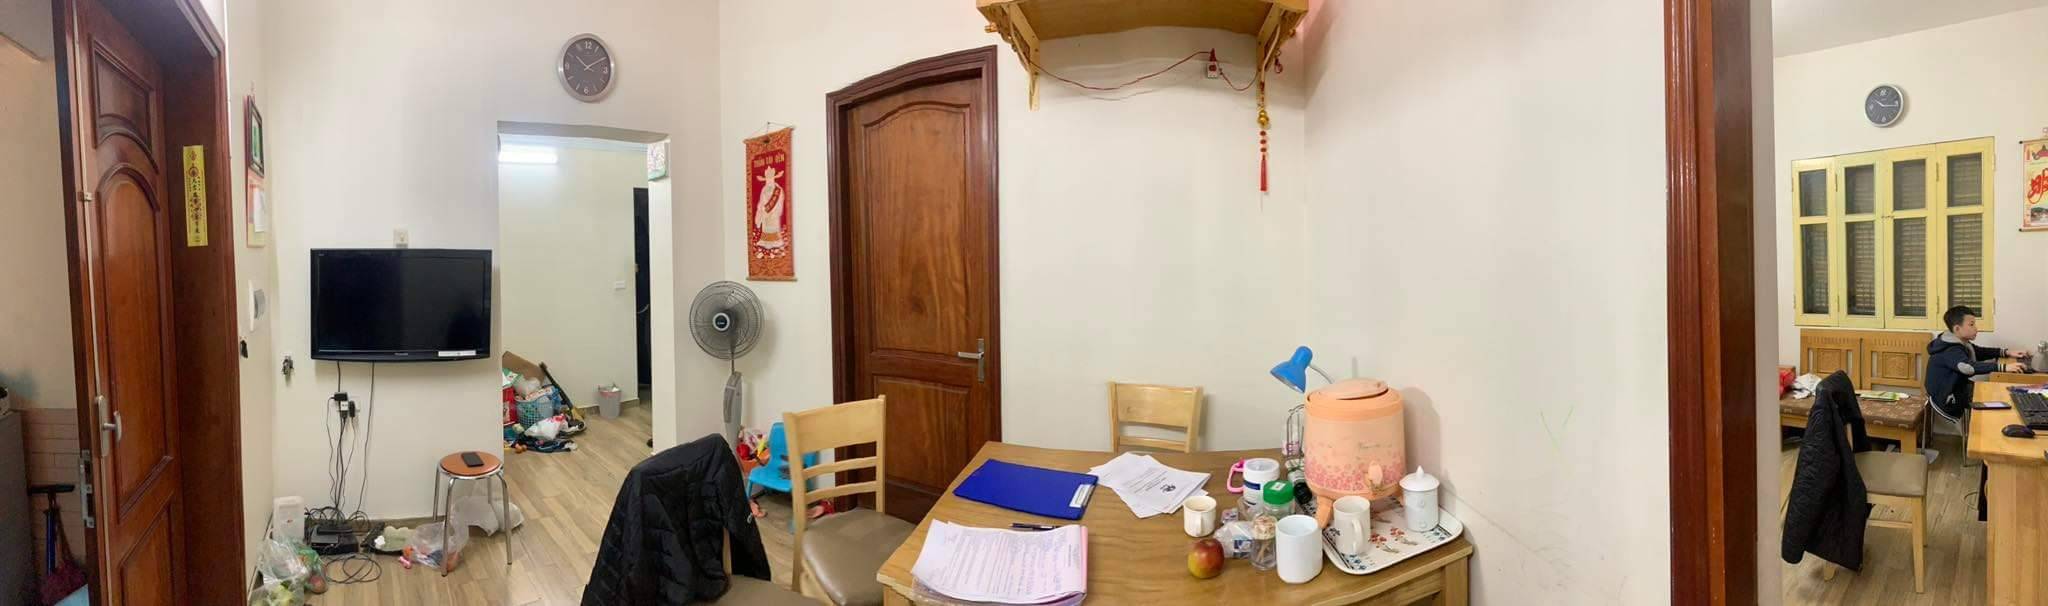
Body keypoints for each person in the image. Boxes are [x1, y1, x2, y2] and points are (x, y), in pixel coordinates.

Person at [1924, 305, 2032, 424]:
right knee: (1994, 399)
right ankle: (1984, 432)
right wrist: (2003, 367)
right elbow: (1968, 367)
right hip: (1946, 395)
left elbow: (1979, 352)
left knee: (1995, 394)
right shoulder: (1950, 349)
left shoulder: (1958, 341)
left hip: (1957, 387)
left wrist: (2006, 352)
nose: (1976, 329)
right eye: (1971, 325)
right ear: (1957, 329)